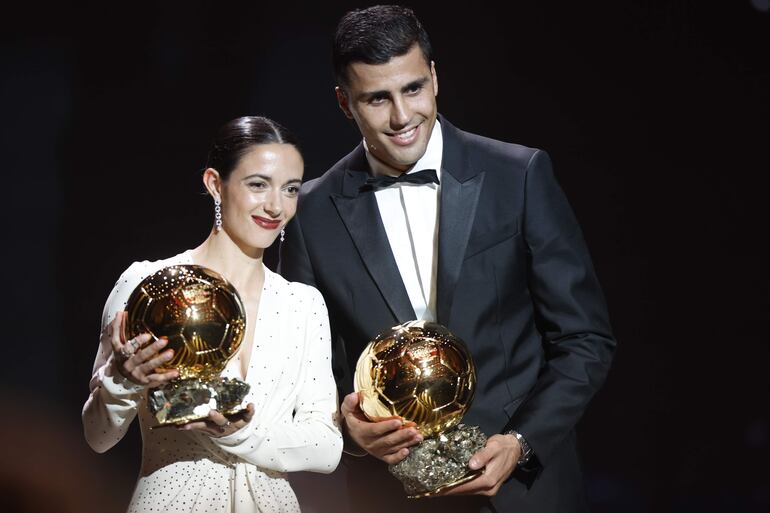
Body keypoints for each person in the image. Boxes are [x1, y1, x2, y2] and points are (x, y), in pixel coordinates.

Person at [279, 5, 616, 513]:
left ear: (434, 77)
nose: (401, 117)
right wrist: (349, 432)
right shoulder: (310, 212)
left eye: (413, 89)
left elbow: (585, 339)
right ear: (345, 104)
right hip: (390, 496)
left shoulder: (518, 175)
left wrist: (520, 443)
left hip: (526, 492)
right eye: (376, 98)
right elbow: (305, 375)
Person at [82, 116, 342, 513]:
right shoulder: (149, 285)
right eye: (258, 184)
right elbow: (97, 436)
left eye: (290, 189)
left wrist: (244, 433)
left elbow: (327, 447)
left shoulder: (302, 304)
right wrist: (122, 381)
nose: (275, 206)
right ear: (214, 184)